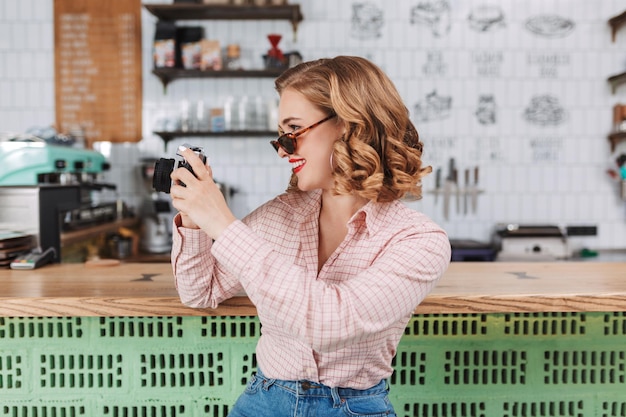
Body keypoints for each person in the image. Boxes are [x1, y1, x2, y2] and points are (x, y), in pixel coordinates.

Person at [169, 56, 451, 417]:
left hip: (353, 407)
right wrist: (195, 219)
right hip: (262, 402)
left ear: (351, 125)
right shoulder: (279, 215)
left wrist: (222, 223)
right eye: (280, 136)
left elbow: (329, 323)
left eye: (293, 130)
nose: (284, 148)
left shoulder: (418, 240)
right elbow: (200, 291)